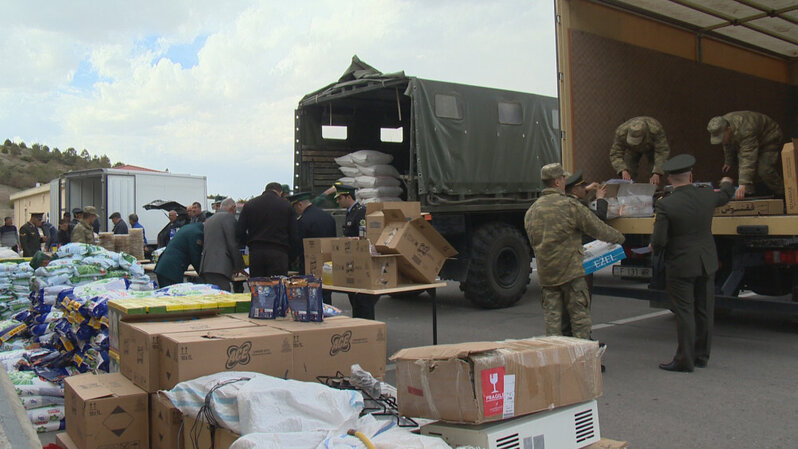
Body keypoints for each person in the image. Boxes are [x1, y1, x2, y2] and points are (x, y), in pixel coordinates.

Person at [652, 154, 734, 372]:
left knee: (685, 311)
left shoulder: (666, 205)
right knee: (705, 309)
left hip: (680, 264)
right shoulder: (707, 195)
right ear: (691, 176)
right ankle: (701, 356)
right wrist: (727, 182)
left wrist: (655, 248)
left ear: (670, 179)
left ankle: (684, 360)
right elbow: (725, 195)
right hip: (706, 261)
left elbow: (659, 240)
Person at [524, 163, 625, 340]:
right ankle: (581, 361)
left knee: (553, 322)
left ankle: (556, 359)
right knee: (579, 320)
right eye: (563, 178)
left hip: (548, 274)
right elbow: (598, 228)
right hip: (571, 272)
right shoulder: (570, 206)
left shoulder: (532, 211)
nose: (565, 180)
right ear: (557, 182)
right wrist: (620, 238)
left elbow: (533, 240)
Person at [707, 111, 784, 200]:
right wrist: (729, 161)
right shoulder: (722, 124)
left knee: (765, 170)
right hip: (751, 138)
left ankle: (783, 194)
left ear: (729, 129)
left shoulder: (746, 130)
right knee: (741, 164)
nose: (721, 140)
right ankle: (748, 193)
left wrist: (743, 183)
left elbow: (748, 157)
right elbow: (727, 143)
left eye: (722, 137)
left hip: (769, 137)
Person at [335, 184, 379, 318]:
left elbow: (363, 235)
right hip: (351, 259)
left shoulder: (360, 211)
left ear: (348, 196)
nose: (338, 201)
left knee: (362, 301)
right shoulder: (350, 212)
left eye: (340, 198)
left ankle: (365, 325)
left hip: (359, 258)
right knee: (354, 298)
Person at [237, 182, 298, 277]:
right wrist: (292, 257)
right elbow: (294, 234)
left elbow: (239, 231)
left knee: (258, 287)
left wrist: (249, 243)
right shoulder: (286, 206)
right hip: (278, 252)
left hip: (256, 253)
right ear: (280, 192)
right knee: (277, 287)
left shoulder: (250, 205)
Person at [289, 191, 337, 304]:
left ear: (300, 204)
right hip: (327, 264)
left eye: (295, 207)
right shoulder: (328, 217)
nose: (295, 211)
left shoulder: (303, 221)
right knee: (326, 294)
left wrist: (293, 259)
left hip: (309, 265)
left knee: (310, 296)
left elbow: (299, 245)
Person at [199, 197, 245, 292]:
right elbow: (232, 244)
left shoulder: (210, 219)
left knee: (212, 299)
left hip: (206, 266)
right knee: (223, 300)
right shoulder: (228, 218)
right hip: (220, 267)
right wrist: (239, 266)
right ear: (232, 208)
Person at [609, 116, 670, 185]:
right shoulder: (621, 132)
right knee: (628, 169)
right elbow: (615, 153)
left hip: (651, 147)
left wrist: (657, 173)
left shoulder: (656, 129)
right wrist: (623, 170)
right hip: (631, 149)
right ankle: (627, 191)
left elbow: (662, 152)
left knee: (654, 173)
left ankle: (654, 191)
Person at [154, 223, 204, 288]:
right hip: (171, 270)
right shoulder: (197, 233)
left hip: (165, 268)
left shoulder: (190, 227)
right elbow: (195, 257)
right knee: (173, 295)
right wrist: (204, 275)